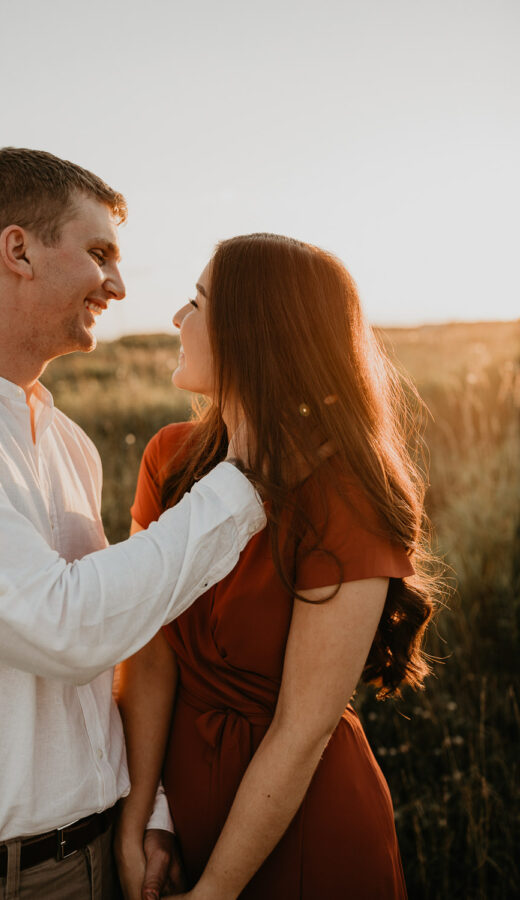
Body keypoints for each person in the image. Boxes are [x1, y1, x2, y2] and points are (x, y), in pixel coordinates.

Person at [0, 149, 266, 899]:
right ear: (18, 251)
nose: (118, 285)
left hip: (101, 855)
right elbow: (64, 628)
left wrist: (153, 809)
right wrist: (243, 481)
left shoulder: (70, 442)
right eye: (99, 254)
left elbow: (117, 632)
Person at [114, 233, 438, 899]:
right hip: (184, 808)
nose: (176, 318)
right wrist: (143, 816)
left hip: (305, 829)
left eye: (196, 302)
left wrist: (215, 891)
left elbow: (302, 729)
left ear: (252, 330)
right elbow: (148, 656)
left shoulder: (343, 494)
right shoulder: (169, 458)